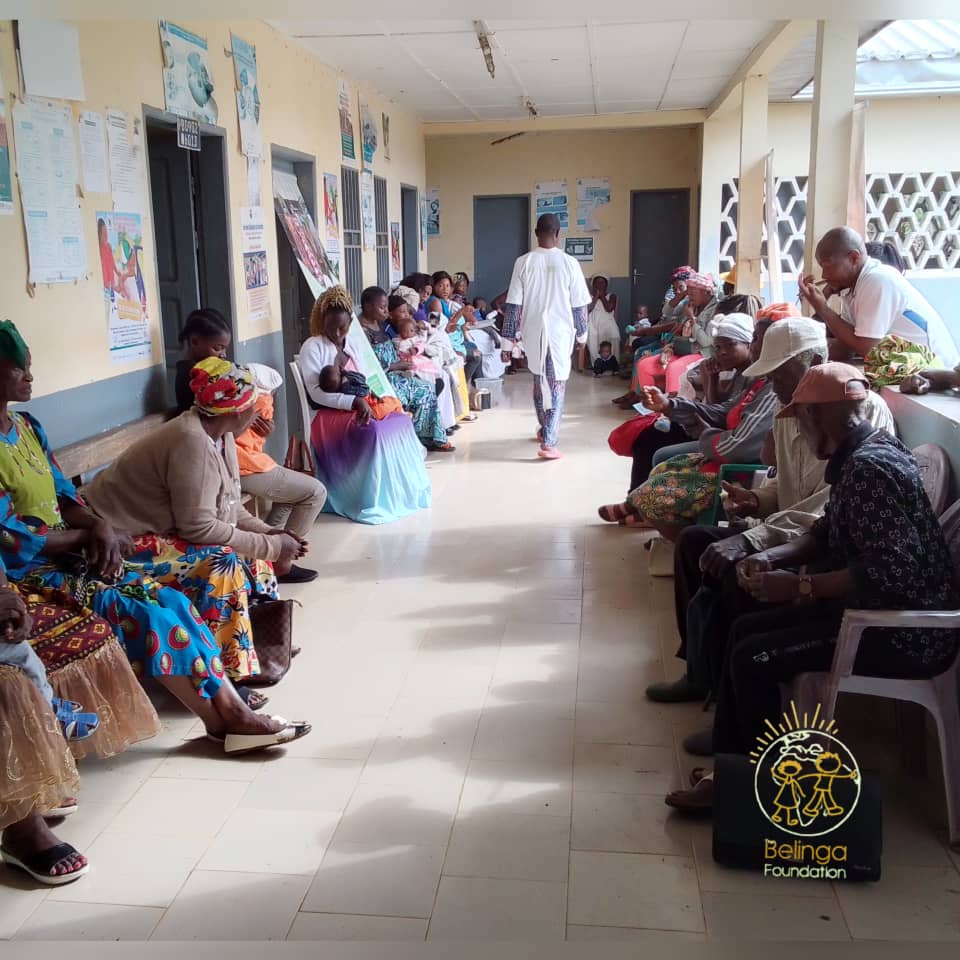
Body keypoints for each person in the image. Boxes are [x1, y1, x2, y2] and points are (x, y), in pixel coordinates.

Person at [0, 326, 308, 753]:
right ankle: (223, 720)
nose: (30, 375)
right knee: (148, 612)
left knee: (174, 603)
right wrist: (90, 533)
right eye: (19, 368)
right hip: (33, 570)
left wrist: (95, 526)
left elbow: (65, 495)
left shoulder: (27, 427)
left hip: (83, 548)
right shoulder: (191, 440)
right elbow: (11, 537)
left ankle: (232, 712)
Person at [667, 364, 960, 813]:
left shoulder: (870, 470)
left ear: (819, 416)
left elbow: (890, 569)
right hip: (870, 612)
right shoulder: (864, 452)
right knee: (744, 629)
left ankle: (746, 791)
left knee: (753, 656)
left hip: (899, 632)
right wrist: (770, 558)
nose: (800, 433)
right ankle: (733, 769)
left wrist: (802, 587)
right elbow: (824, 533)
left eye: (801, 419)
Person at [647, 317, 894, 710]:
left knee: (734, 573)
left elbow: (827, 509)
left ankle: (729, 688)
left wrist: (754, 540)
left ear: (815, 363)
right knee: (695, 544)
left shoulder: (857, 413)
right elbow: (784, 484)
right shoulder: (788, 409)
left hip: (814, 546)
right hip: (788, 532)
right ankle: (700, 670)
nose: (773, 386)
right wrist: (755, 500)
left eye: (779, 374)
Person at [83, 358, 310, 687]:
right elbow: (198, 527)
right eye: (255, 404)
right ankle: (227, 674)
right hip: (118, 541)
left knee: (254, 556)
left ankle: (257, 643)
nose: (259, 411)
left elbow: (228, 508)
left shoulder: (220, 435)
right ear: (236, 411)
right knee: (222, 561)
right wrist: (272, 546)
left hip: (157, 530)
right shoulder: (192, 440)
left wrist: (269, 533)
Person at [600, 314, 777, 538]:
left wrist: (702, 429)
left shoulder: (769, 388)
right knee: (659, 458)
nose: (754, 345)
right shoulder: (760, 380)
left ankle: (653, 515)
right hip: (715, 440)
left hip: (737, 467)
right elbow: (722, 410)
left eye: (756, 339)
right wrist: (669, 404)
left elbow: (734, 446)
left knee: (654, 452)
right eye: (718, 347)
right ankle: (641, 508)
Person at [298, 286, 432, 524]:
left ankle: (399, 493)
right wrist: (354, 402)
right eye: (332, 327)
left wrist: (372, 395)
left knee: (400, 420)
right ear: (321, 321)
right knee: (374, 430)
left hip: (357, 403)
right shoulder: (312, 346)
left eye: (343, 327)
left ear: (350, 323)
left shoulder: (352, 343)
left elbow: (363, 377)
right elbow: (317, 394)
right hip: (328, 413)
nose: (337, 333)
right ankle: (369, 498)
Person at [798, 226, 958, 385]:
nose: (824, 275)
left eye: (828, 266)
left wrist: (822, 308)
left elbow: (868, 348)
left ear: (854, 257)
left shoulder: (876, 280)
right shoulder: (853, 287)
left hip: (934, 373)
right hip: (906, 369)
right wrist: (805, 349)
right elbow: (846, 346)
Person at [501, 213, 592, 460]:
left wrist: (507, 343)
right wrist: (582, 335)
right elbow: (579, 306)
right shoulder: (570, 263)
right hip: (560, 333)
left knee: (540, 381)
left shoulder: (523, 262)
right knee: (557, 383)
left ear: (535, 233)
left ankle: (545, 430)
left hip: (533, 332)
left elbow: (513, 306)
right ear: (558, 234)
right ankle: (550, 442)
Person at [233, 362, 326, 584]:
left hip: (244, 462)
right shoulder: (258, 402)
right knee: (315, 492)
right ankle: (282, 559)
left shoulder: (240, 395)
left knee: (292, 494)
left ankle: (268, 558)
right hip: (242, 466)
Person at [358, 287, 454, 452]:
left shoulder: (379, 324)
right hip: (381, 381)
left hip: (396, 372)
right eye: (382, 307)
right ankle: (414, 438)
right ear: (367, 306)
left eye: (386, 307)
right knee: (420, 390)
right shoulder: (361, 332)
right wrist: (395, 366)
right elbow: (365, 365)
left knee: (429, 386)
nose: (385, 311)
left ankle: (428, 437)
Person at [427, 272, 483, 388]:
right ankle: (461, 387)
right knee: (476, 356)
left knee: (476, 350)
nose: (445, 289)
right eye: (441, 286)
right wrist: (461, 312)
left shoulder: (443, 302)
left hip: (451, 341)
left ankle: (477, 389)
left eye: (447, 286)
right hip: (443, 344)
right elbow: (436, 328)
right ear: (434, 286)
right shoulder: (435, 303)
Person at [173, 308, 233, 414]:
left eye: (225, 349)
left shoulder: (209, 368)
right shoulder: (191, 374)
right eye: (218, 348)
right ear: (194, 342)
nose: (224, 355)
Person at [585, 275, 620, 368]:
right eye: (597, 282)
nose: (600, 285)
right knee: (591, 335)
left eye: (602, 282)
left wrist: (602, 296)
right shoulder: (589, 296)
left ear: (606, 285)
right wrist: (596, 297)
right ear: (593, 285)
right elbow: (588, 309)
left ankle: (614, 363)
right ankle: (597, 364)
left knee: (614, 334)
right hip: (592, 323)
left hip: (608, 323)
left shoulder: (612, 296)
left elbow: (609, 308)